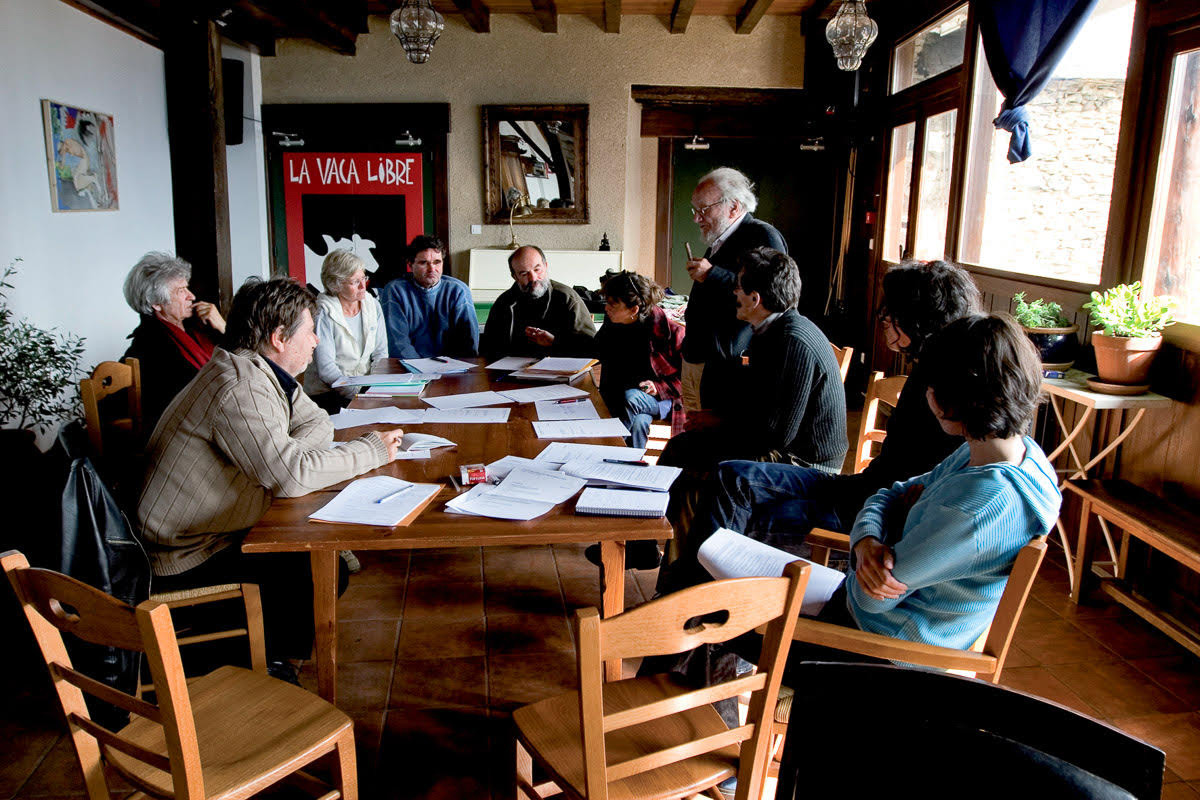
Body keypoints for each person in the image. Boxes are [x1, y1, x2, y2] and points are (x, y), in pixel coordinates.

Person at [659, 313, 1062, 733]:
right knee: (701, 578)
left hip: (879, 657)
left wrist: (870, 545)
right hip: (883, 622)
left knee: (710, 604)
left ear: (963, 394)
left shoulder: (975, 510)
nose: (927, 392)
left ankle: (704, 735)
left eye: (932, 383)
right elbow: (888, 493)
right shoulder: (1011, 454)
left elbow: (871, 599)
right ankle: (688, 718)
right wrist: (869, 539)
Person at [137, 277, 405, 676]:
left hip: (209, 530)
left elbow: (316, 422)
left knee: (322, 566)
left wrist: (293, 451)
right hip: (183, 553)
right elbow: (292, 476)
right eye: (310, 331)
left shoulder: (262, 371)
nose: (315, 341)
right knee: (309, 574)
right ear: (280, 337)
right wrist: (371, 450)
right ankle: (256, 668)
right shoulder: (241, 385)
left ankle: (263, 654)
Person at [662, 260, 982, 590]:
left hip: (863, 501)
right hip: (859, 488)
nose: (883, 319)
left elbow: (776, 436)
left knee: (730, 499)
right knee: (728, 475)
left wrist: (870, 528)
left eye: (891, 311)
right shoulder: (928, 369)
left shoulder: (948, 391)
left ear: (918, 318)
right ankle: (680, 593)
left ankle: (690, 609)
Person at [680, 167, 787, 414]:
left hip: (727, 366)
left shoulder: (763, 236)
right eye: (695, 210)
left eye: (704, 210)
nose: (697, 218)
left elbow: (770, 297)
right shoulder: (719, 239)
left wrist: (711, 273)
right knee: (693, 437)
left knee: (713, 444)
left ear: (734, 207)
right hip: (698, 358)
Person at [123, 251, 226, 435]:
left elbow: (242, 364)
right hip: (185, 435)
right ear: (156, 303)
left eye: (187, 288)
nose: (192, 296)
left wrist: (223, 327)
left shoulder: (198, 328)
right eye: (181, 291)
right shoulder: (148, 346)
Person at [593, 271, 684, 449]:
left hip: (663, 400)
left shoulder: (671, 333)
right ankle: (633, 467)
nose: (606, 308)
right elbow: (595, 351)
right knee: (638, 423)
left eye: (613, 304)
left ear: (634, 310)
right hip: (623, 399)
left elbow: (688, 383)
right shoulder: (612, 325)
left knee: (632, 397)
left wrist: (657, 387)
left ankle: (609, 447)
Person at [304, 249, 389, 414]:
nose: (363, 286)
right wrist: (358, 396)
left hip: (366, 389)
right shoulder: (323, 312)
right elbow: (327, 370)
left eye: (364, 278)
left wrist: (375, 388)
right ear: (335, 285)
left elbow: (381, 353)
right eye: (355, 282)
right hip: (327, 394)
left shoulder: (373, 305)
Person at [480, 245, 596, 359]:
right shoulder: (504, 303)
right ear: (515, 277)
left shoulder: (567, 298)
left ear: (545, 266)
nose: (533, 278)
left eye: (537, 269)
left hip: (559, 373)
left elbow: (591, 348)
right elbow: (489, 348)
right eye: (524, 274)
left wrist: (554, 343)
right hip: (509, 374)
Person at [379, 235, 479, 360]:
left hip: (453, 368)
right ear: (410, 264)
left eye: (437, 262)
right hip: (409, 368)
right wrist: (421, 370)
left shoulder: (458, 290)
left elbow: (469, 341)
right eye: (423, 263)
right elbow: (397, 342)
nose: (432, 269)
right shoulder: (395, 290)